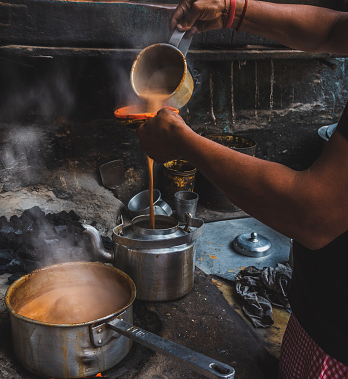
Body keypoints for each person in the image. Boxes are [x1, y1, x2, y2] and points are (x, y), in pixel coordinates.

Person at [136, 1, 348, 377]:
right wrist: (233, 10)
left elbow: (313, 214)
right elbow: (336, 30)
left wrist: (183, 142)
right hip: (319, 316)